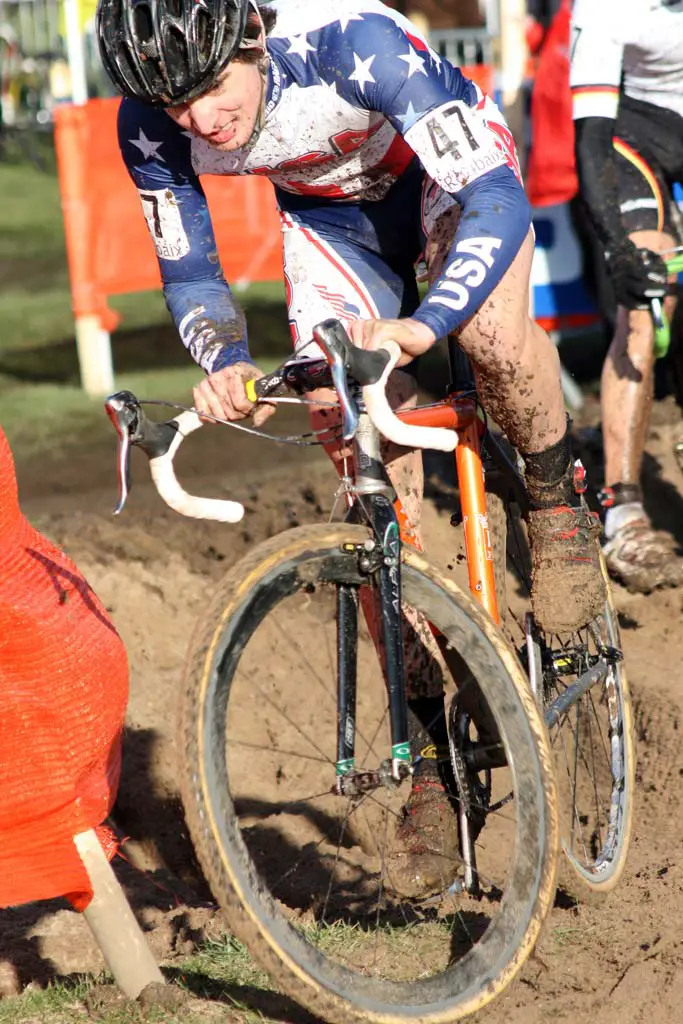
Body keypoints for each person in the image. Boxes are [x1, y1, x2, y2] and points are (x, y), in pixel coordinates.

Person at [97, 0, 604, 897]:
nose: (199, 121)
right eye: (174, 106)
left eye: (212, 89)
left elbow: (491, 192)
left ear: (252, 38)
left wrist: (426, 324)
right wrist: (223, 362)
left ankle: (556, 504)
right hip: (332, 225)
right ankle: (432, 743)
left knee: (485, 338)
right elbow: (190, 271)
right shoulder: (152, 117)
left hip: (450, 184)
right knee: (346, 426)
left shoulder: (347, 43)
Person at [571, 0, 683, 593]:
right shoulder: (607, 6)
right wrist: (619, 249)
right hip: (634, 138)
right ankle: (623, 508)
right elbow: (587, 142)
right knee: (646, 300)